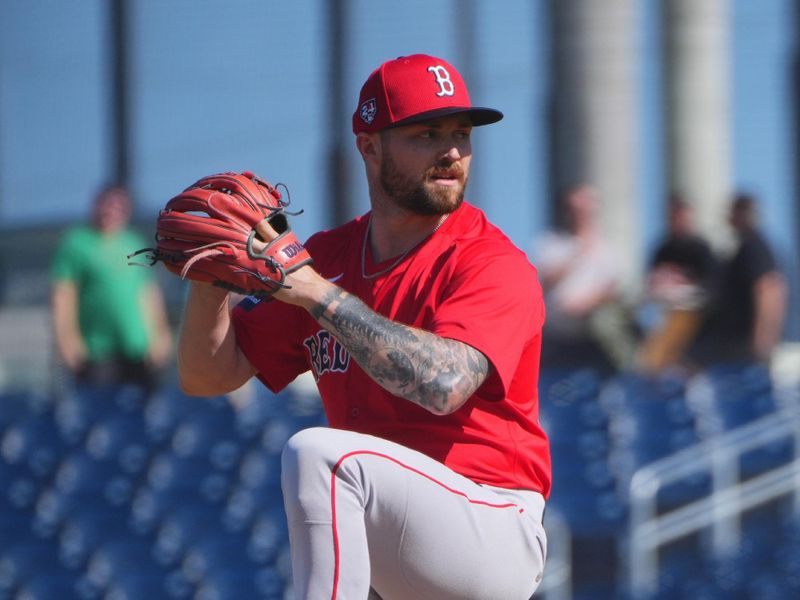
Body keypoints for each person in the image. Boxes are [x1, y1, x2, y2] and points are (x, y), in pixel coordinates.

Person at [177, 54, 550, 599]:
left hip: (490, 523)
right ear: (369, 145)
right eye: (427, 133)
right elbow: (209, 376)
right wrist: (211, 277)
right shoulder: (329, 255)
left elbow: (444, 387)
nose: (452, 151)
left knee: (322, 458)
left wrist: (316, 294)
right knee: (334, 470)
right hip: (394, 542)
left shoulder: (491, 262)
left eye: (462, 134)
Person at [51, 184, 173, 392]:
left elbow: (149, 293)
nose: (111, 211)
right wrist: (67, 340)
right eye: (106, 205)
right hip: (96, 351)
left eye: (118, 207)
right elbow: (63, 295)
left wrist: (160, 335)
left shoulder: (133, 243)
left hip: (138, 349)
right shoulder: (77, 243)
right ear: (95, 206)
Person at [530, 184, 627, 372]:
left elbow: (614, 289)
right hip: (555, 330)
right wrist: (576, 255)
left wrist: (586, 303)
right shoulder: (550, 243)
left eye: (585, 209)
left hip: (593, 331)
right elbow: (542, 281)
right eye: (574, 209)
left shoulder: (607, 248)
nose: (580, 214)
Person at [690, 193, 787, 366]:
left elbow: (769, 290)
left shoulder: (754, 246)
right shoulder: (740, 247)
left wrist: (763, 338)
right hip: (730, 342)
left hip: (744, 345)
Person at [637, 195, 718, 373]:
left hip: (694, 315)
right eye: (674, 216)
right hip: (662, 312)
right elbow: (650, 283)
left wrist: (681, 280)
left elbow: (710, 287)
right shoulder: (662, 248)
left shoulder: (700, 248)